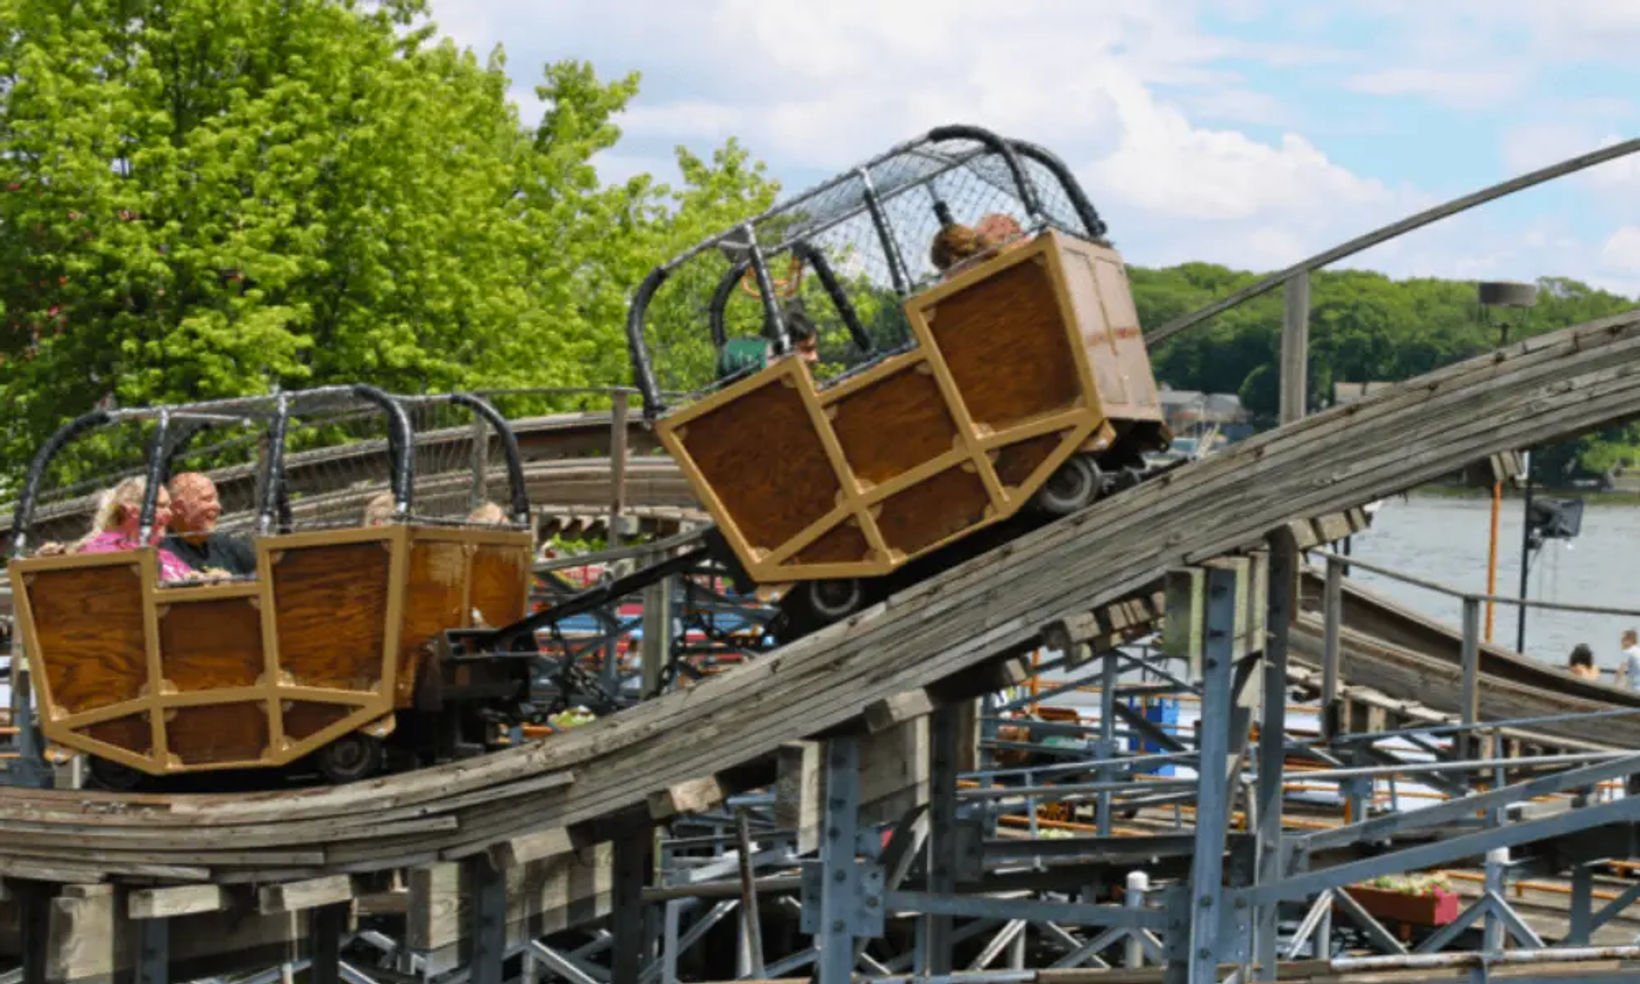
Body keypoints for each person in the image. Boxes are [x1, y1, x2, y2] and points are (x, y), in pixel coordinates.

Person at [75, 477, 196, 581]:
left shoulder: (166, 556)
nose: (170, 513)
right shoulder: (101, 551)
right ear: (129, 510)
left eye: (169, 506)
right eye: (161, 506)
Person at [162, 472, 257, 576]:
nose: (218, 506)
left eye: (216, 499)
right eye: (207, 499)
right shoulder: (164, 555)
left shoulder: (227, 546)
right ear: (179, 508)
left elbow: (263, 574)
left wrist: (234, 582)